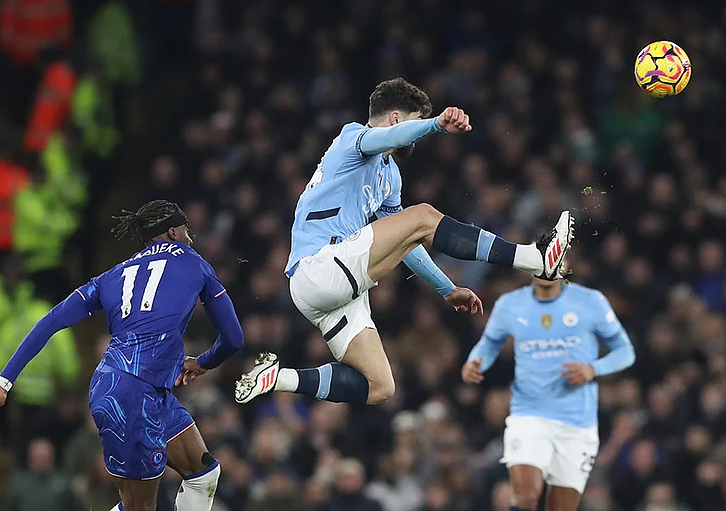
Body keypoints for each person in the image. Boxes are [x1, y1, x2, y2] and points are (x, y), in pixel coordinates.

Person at [235, 78, 574, 407]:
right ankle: (535, 260)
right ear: (396, 119)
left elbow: (406, 241)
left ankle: (277, 378)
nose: (418, 132)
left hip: (326, 288)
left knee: (379, 386)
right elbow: (394, 146)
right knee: (423, 215)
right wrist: (436, 125)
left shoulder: (390, 175)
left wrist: (447, 289)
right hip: (321, 265)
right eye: (416, 120)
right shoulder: (353, 138)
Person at [0, 200, 245, 511]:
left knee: (203, 473)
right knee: (139, 507)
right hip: (132, 396)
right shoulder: (195, 263)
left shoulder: (113, 275)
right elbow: (234, 340)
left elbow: (50, 321)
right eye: (187, 230)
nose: (190, 237)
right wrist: (204, 362)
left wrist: (4, 381)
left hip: (129, 388)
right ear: (172, 232)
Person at [460, 273, 636, 511]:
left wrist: (593, 369)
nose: (545, 266)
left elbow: (625, 352)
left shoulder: (590, 301)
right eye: (538, 259)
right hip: (528, 415)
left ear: (564, 263)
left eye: (551, 259)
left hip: (576, 422)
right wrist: (475, 362)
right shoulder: (510, 304)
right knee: (525, 497)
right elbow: (489, 343)